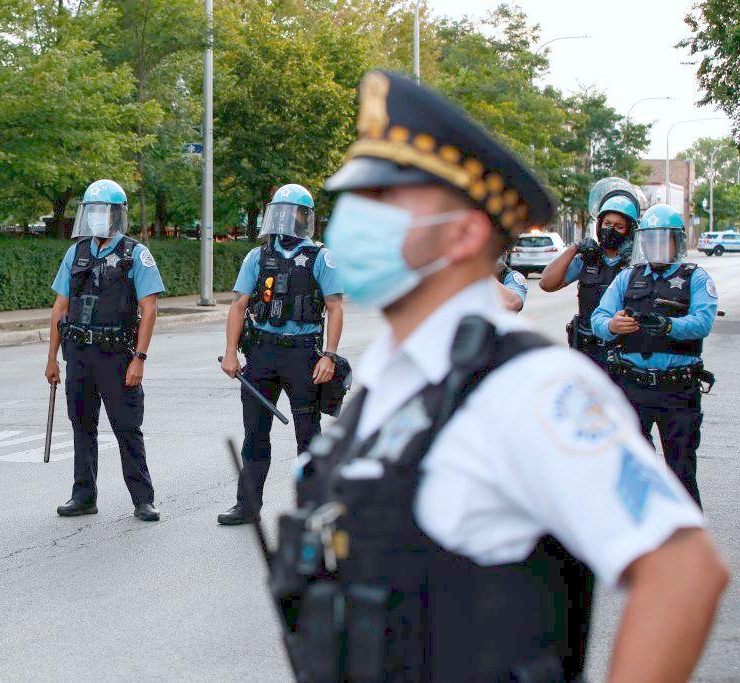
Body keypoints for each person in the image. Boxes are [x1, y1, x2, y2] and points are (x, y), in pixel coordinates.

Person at [268, 70, 726, 682]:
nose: (353, 219)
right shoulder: (394, 372)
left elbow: (684, 572)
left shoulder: (527, 387)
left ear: (462, 233)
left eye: (385, 202)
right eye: (355, 200)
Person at [218, 184, 344, 525]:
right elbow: (239, 304)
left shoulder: (321, 257)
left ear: (305, 217)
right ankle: (247, 507)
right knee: (254, 434)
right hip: (261, 353)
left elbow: (335, 307)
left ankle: (313, 507)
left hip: (303, 356)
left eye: (294, 213)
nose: (287, 219)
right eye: (281, 212)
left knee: (308, 435)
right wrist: (230, 352)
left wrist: (329, 356)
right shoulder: (257, 256)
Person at [45, 179, 163, 522]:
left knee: (126, 426)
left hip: (117, 355)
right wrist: (51, 357)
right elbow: (59, 307)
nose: (96, 218)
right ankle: (83, 496)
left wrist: (139, 359)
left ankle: (143, 499)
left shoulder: (134, 254)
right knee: (82, 424)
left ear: (116, 216)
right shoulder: (77, 252)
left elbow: (150, 309)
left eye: (102, 212)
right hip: (79, 353)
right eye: (91, 211)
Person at [591, 204, 717, 507]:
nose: (656, 246)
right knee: (634, 471)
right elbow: (599, 318)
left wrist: (669, 325)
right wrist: (613, 325)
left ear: (677, 242)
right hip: (633, 387)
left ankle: (687, 547)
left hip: (677, 390)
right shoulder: (627, 278)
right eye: (650, 239)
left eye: (663, 239)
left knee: (680, 472)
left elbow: (703, 321)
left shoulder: (695, 278)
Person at [541, 190, 639, 368]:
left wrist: (634, 258)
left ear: (629, 230)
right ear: (599, 225)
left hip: (624, 351)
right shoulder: (587, 259)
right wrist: (575, 248)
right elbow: (546, 283)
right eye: (607, 224)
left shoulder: (638, 264)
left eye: (618, 227)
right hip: (587, 350)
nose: (610, 230)